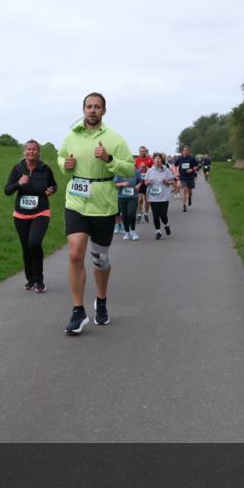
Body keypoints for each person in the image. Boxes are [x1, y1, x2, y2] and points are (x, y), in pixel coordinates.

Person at [57, 92, 135, 334]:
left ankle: (101, 301)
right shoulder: (72, 136)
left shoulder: (115, 138)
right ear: (83, 109)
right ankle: (78, 311)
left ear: (103, 111)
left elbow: (130, 168)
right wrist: (65, 166)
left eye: (97, 107)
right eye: (88, 106)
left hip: (103, 202)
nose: (92, 110)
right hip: (77, 200)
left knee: (100, 259)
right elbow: (61, 158)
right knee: (75, 253)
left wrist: (109, 158)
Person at [4, 139, 57, 292]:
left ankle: (39, 281)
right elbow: (7, 190)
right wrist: (18, 183)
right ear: (24, 151)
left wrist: (52, 190)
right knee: (26, 248)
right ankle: (30, 280)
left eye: (34, 149)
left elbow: (53, 185)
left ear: (38, 152)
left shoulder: (45, 169)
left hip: (41, 212)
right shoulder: (17, 169)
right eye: (29, 149)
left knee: (34, 243)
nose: (31, 152)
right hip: (21, 215)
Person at [143, 153, 174, 239]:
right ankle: (158, 232)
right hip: (153, 196)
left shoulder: (166, 170)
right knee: (155, 215)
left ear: (161, 160)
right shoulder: (150, 171)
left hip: (164, 196)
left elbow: (172, 181)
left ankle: (166, 225)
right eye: (155, 158)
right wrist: (148, 182)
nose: (157, 160)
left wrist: (167, 182)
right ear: (153, 160)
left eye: (159, 158)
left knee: (163, 214)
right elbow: (145, 182)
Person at [115, 164, 141, 241]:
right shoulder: (119, 172)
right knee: (124, 215)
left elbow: (140, 181)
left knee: (131, 214)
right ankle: (127, 232)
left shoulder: (136, 172)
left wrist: (138, 186)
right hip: (122, 197)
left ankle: (133, 231)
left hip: (133, 197)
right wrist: (122, 184)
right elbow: (114, 184)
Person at [174, 146, 199, 212]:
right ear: (182, 151)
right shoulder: (180, 158)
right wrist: (176, 172)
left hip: (190, 177)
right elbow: (174, 165)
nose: (185, 152)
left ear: (189, 151)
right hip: (183, 177)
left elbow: (197, 166)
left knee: (189, 191)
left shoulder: (192, 158)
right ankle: (184, 205)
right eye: (184, 150)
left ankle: (189, 197)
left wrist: (192, 169)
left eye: (186, 150)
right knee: (184, 189)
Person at [134, 146, 153, 223]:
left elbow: (153, 170)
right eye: (141, 151)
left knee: (147, 199)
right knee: (139, 200)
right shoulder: (136, 160)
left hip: (147, 181)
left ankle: (145, 213)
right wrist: (139, 167)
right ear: (139, 152)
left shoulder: (150, 159)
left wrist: (145, 166)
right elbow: (134, 170)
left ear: (146, 151)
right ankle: (139, 213)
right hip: (139, 181)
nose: (142, 152)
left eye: (143, 151)